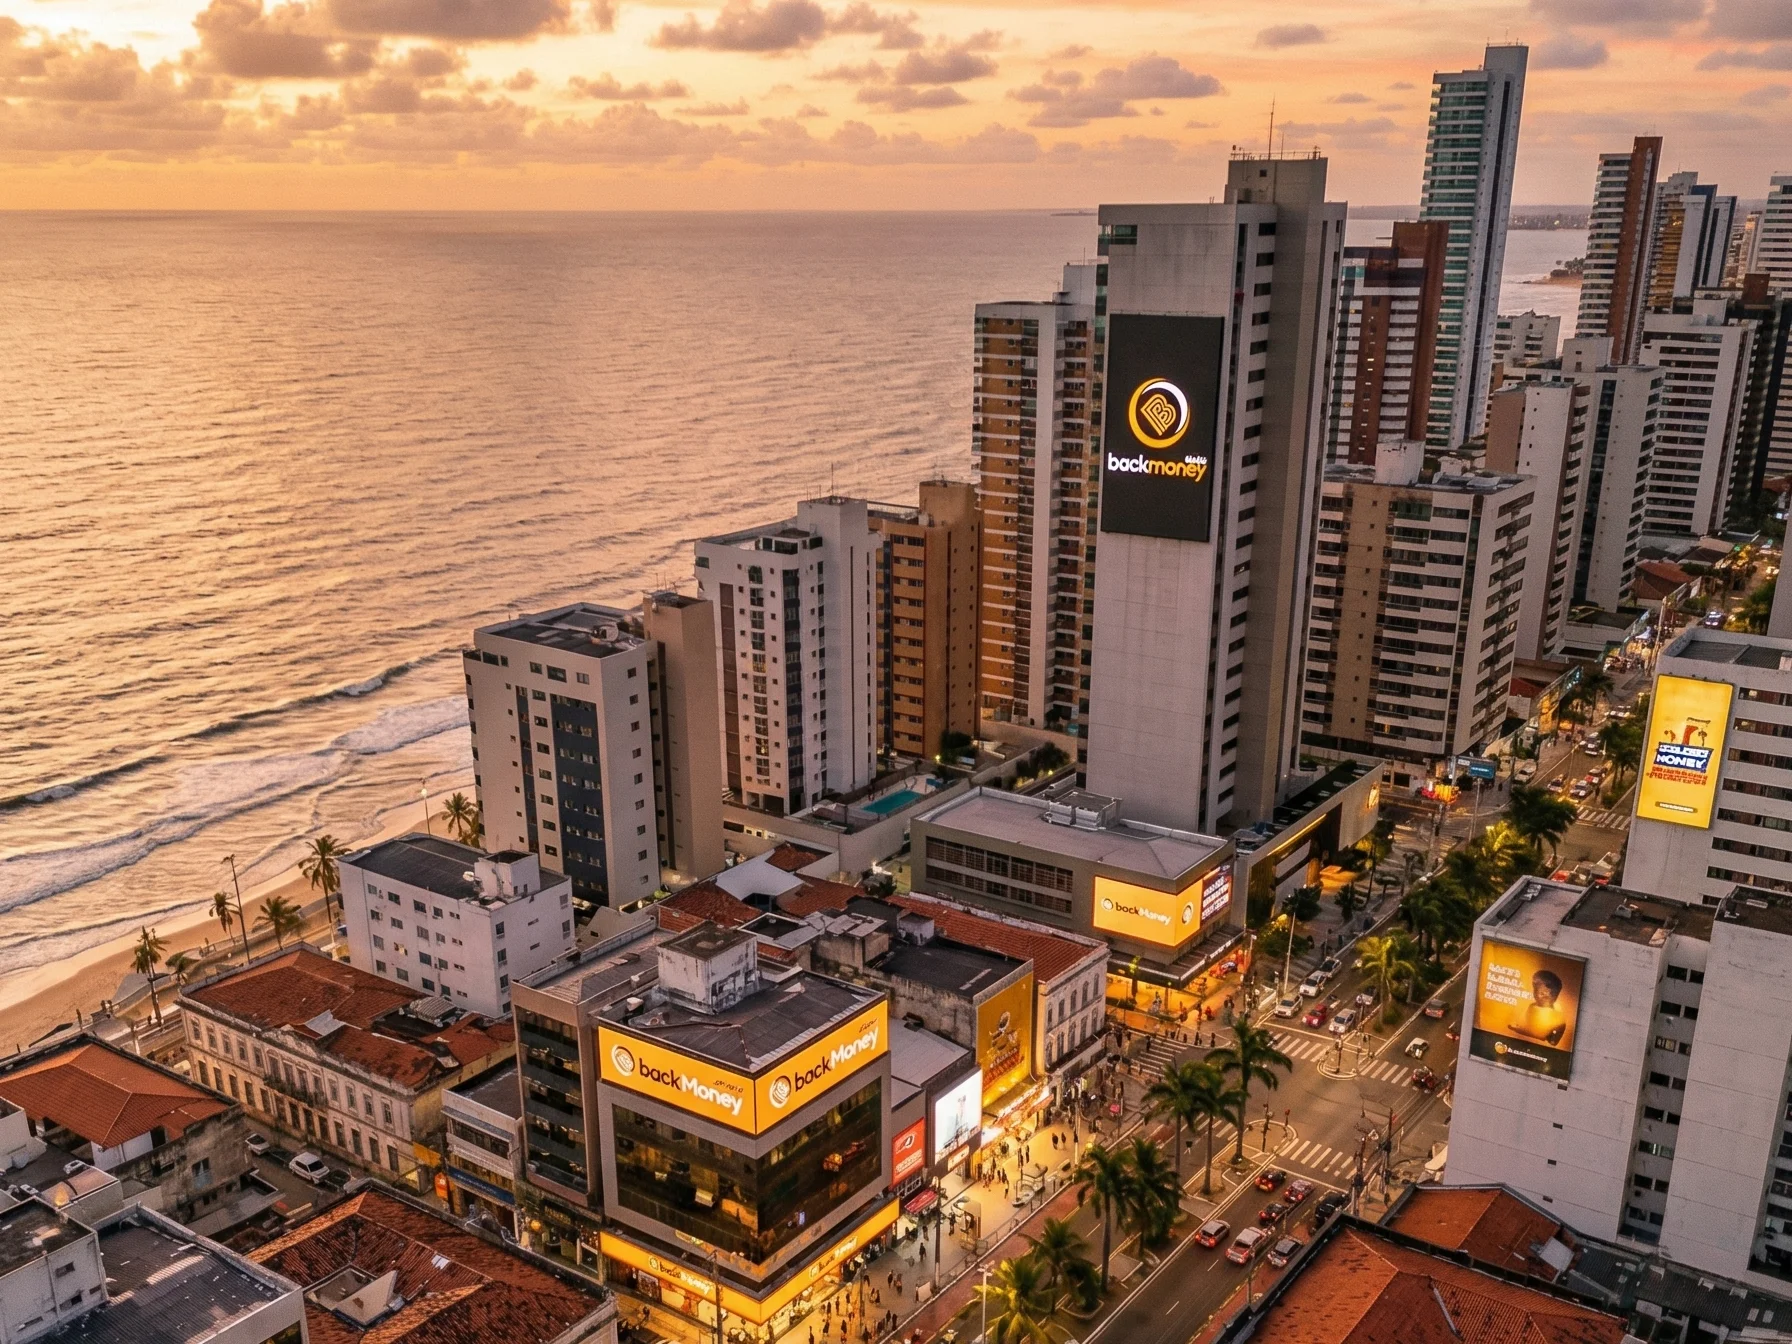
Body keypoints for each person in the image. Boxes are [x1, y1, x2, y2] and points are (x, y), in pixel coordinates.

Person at [1508, 968, 1570, 1046]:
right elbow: (1525, 1025)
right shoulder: (1531, 1006)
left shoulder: (1557, 1013)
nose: (1539, 995)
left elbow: (1560, 1027)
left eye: (1551, 994)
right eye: (1536, 990)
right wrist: (1518, 1028)